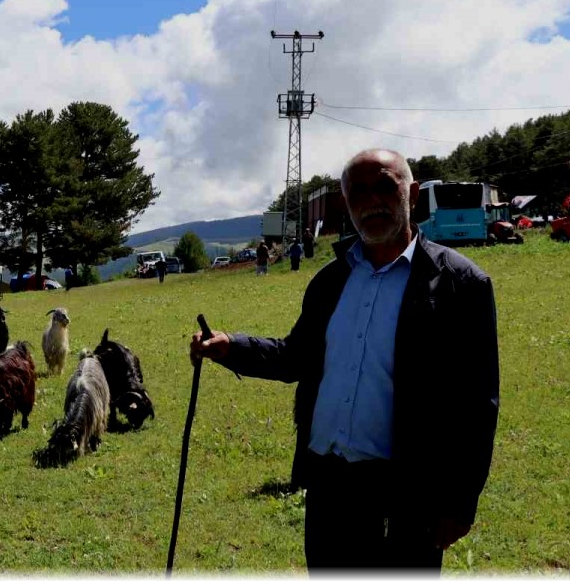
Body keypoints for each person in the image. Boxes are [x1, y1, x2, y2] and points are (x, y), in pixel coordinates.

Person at [190, 148, 499, 572]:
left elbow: (477, 404)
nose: (372, 201)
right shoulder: (330, 281)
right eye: (358, 192)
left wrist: (459, 503)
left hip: (407, 492)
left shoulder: (461, 285)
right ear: (346, 205)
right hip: (329, 486)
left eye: (385, 187)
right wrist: (233, 346)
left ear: (411, 193)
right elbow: (295, 357)